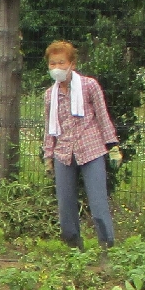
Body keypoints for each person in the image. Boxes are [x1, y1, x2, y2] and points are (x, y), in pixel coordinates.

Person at [41, 40, 119, 251]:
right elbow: (50, 127)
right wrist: (48, 156)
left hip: (91, 149)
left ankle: (106, 248)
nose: (56, 68)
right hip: (63, 153)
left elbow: (102, 116)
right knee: (65, 206)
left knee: (98, 204)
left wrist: (112, 146)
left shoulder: (89, 86)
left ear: (72, 64)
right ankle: (74, 249)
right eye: (52, 64)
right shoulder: (50, 95)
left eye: (61, 63)